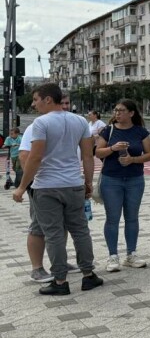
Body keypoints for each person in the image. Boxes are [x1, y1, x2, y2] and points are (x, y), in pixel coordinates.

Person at [12, 83, 101, 295]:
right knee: (80, 230)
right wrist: (88, 183)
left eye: (36, 100)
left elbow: (34, 157)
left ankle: (60, 281)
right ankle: (88, 275)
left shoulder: (41, 123)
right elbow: (88, 156)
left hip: (47, 187)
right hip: (73, 184)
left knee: (53, 234)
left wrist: (22, 187)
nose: (34, 104)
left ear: (48, 99)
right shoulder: (80, 121)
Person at [22, 96, 82, 282]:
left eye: (67, 103)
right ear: (52, 103)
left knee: (60, 226)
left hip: (67, 184)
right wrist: (29, 182)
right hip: (43, 185)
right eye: (62, 103)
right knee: (39, 226)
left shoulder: (73, 123)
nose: (65, 107)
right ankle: (37, 268)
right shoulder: (36, 126)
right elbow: (26, 156)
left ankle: (60, 262)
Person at [95, 100, 150, 272]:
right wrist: (112, 148)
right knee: (112, 218)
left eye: (121, 110)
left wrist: (132, 160)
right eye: (116, 110)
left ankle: (131, 254)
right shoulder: (108, 130)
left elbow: (149, 155)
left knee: (132, 217)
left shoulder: (140, 131)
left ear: (131, 113)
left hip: (135, 179)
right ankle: (113, 256)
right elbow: (98, 152)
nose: (117, 113)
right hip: (111, 179)